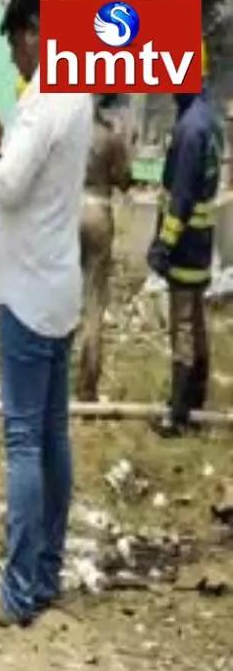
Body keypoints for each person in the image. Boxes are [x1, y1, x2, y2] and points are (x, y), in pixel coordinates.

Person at [0, 0, 92, 626]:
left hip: (26, 289)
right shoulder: (78, 94)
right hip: (57, 284)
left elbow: (8, 185)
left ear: (36, 33)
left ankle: (18, 593)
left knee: (22, 439)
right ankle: (43, 575)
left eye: (15, 42)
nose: (15, 56)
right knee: (50, 435)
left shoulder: (48, 98)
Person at [149, 40, 222, 438]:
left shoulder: (190, 129)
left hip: (186, 242)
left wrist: (163, 244)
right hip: (204, 239)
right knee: (196, 318)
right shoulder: (210, 121)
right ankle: (196, 395)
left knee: (181, 323)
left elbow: (180, 196)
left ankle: (177, 413)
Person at [75, 95, 133, 402]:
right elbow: (124, 180)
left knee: (63, 300)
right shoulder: (108, 136)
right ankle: (87, 389)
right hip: (98, 211)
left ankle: (55, 382)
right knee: (94, 302)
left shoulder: (66, 132)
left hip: (67, 212)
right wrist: (124, 141)